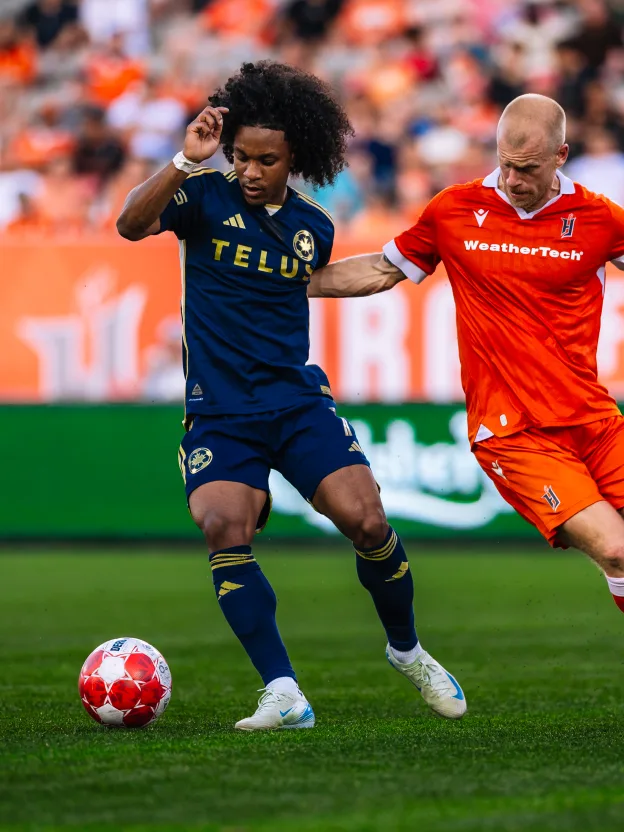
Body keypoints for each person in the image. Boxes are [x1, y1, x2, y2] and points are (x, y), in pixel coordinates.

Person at [116, 62, 466, 731]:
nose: (250, 171)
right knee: (223, 527)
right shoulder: (200, 196)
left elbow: (321, 280)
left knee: (368, 522)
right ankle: (283, 691)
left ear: (295, 158)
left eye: (266, 160)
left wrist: (406, 264)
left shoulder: (313, 226)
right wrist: (183, 162)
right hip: (220, 411)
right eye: (241, 156)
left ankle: (408, 651)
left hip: (296, 404)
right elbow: (131, 225)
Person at [309, 93, 624, 630]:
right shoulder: (455, 210)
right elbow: (381, 269)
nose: (513, 179)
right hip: (513, 431)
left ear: (561, 156)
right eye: (505, 164)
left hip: (594, 421)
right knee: (616, 550)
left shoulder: (598, 218)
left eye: (527, 169)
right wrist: (286, 283)